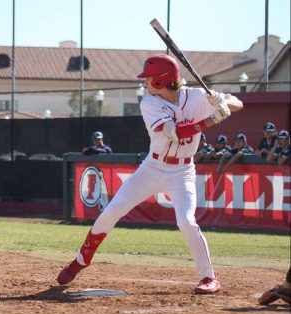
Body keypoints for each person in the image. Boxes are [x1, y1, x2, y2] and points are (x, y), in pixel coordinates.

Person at [57, 54, 243, 294]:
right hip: (152, 168)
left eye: (149, 79)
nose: (145, 83)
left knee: (186, 222)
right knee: (111, 211)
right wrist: (211, 118)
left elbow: (239, 103)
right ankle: (80, 261)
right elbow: (176, 132)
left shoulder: (197, 96)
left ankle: (208, 277)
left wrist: (223, 101)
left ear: (161, 81)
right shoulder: (150, 104)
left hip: (182, 171)